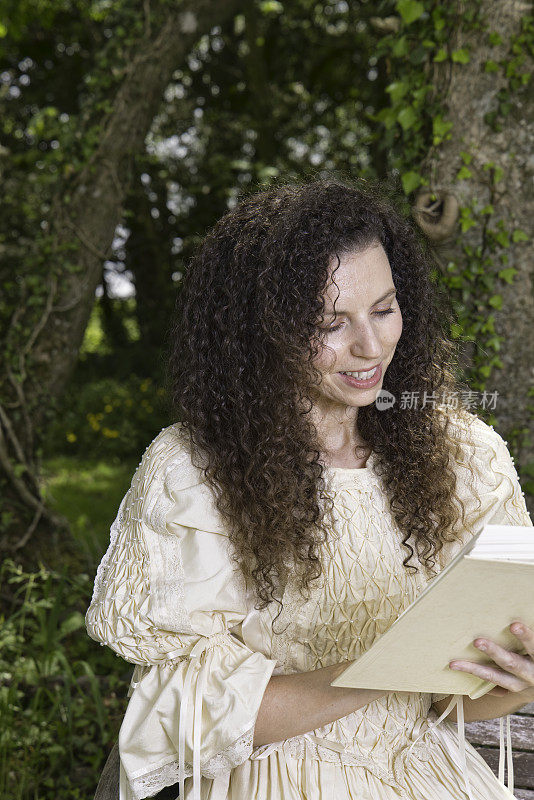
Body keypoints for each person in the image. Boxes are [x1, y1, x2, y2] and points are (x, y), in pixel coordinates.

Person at [86, 178, 534, 800]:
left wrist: (520, 677)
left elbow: (452, 702)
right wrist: (381, 672)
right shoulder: (193, 471)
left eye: (383, 309)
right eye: (332, 323)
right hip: (270, 779)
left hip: (422, 772)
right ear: (262, 329)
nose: (371, 347)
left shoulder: (464, 457)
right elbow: (181, 714)